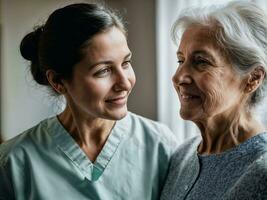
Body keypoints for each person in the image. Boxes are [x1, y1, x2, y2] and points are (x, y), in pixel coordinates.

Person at [0, 3, 178, 200]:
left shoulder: (160, 145)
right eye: (103, 71)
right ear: (58, 81)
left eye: (126, 63)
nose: (124, 82)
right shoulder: (13, 162)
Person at [160, 1, 267, 200]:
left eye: (201, 61)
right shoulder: (182, 155)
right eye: (180, 60)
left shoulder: (262, 170)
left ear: (253, 78)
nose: (178, 77)